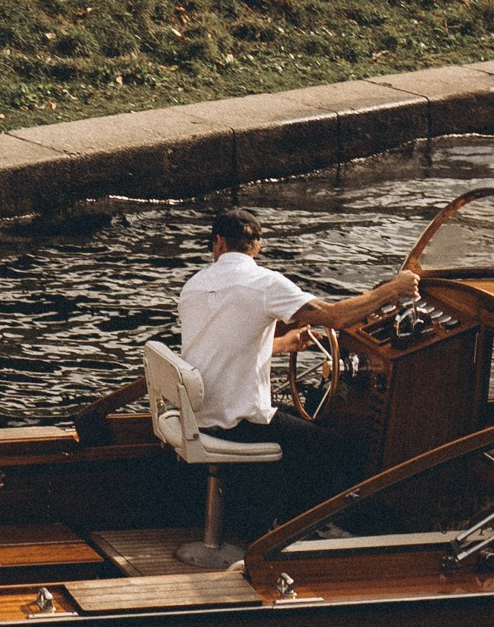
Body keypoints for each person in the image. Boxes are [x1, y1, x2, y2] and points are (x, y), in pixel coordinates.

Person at [178, 207, 418, 527]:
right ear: (257, 248)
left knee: (300, 418)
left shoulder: (193, 286)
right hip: (236, 422)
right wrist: (392, 289)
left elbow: (221, 346)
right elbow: (335, 317)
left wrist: (283, 344)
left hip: (197, 413)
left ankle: (275, 517)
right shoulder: (265, 283)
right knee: (339, 449)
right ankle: (292, 529)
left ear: (218, 243)